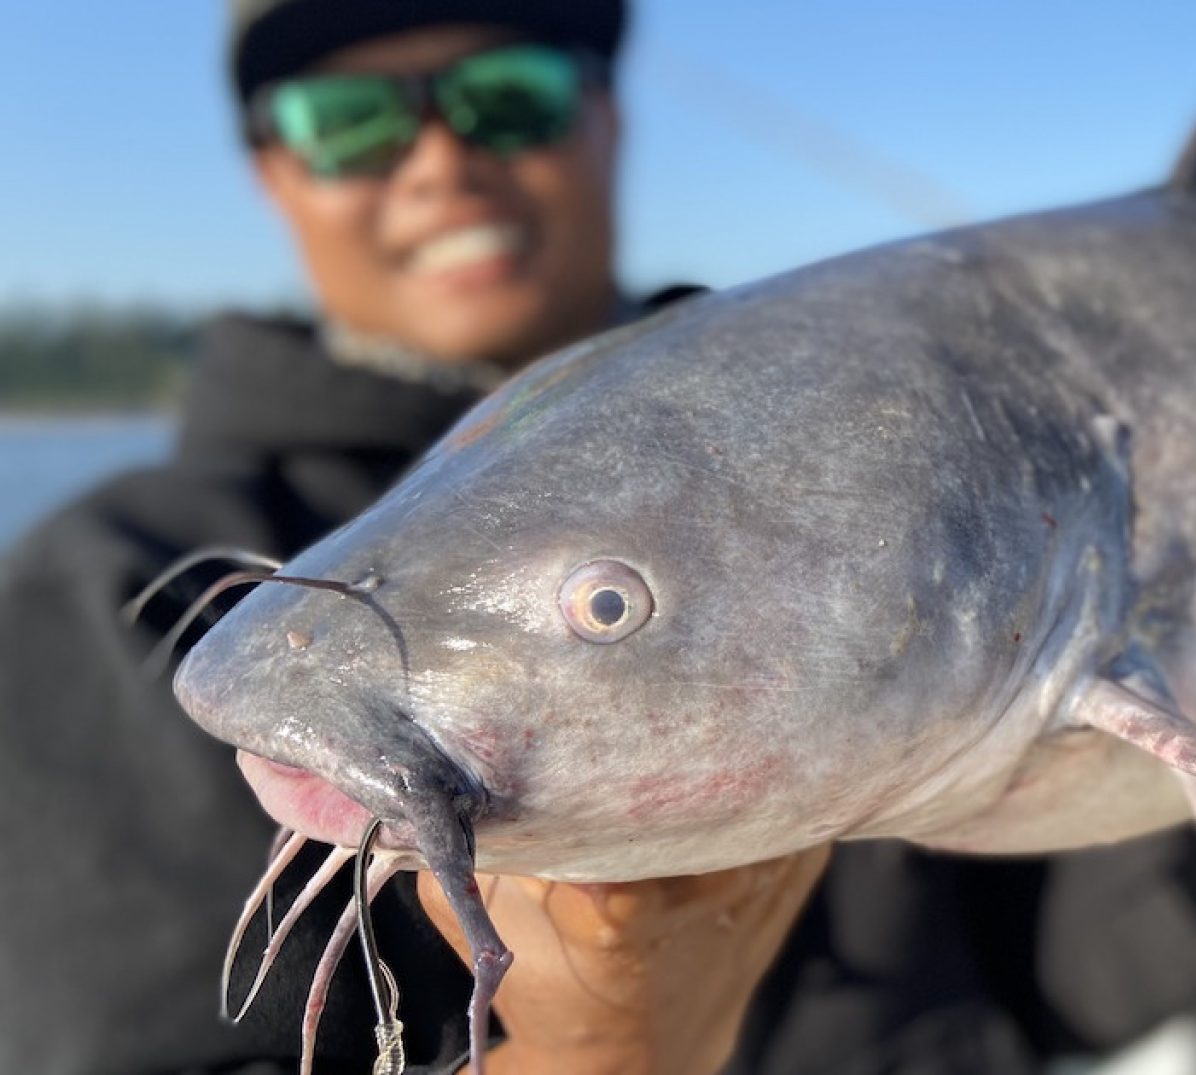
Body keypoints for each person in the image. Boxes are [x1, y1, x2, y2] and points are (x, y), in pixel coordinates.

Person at [0, 3, 838, 1071]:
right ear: (275, 175)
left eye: (510, 95)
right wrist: (603, 1053)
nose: (442, 161)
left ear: (607, 122)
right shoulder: (109, 585)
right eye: (346, 119)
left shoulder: (846, 474)